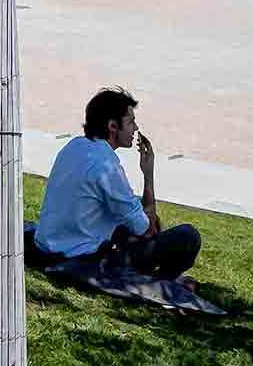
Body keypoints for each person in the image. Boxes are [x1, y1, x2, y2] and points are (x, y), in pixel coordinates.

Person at [34, 86, 201, 279]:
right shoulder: (106, 165)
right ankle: (160, 282)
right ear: (113, 126)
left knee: (136, 214)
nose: (135, 129)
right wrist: (148, 175)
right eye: (131, 122)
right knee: (188, 236)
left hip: (48, 245)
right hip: (80, 256)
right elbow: (147, 230)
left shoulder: (73, 146)